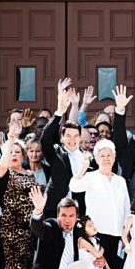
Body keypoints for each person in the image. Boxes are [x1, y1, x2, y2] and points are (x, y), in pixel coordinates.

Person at [68, 138, 131, 269]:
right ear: (96, 158)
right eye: (102, 155)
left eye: (109, 155)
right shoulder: (90, 177)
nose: (106, 159)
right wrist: (83, 167)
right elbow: (73, 185)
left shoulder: (120, 181)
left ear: (114, 157)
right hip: (97, 233)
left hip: (117, 232)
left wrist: (126, 231)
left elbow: (127, 207)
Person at [0, 125, 38, 269]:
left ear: (23, 155)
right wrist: (11, 140)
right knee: (12, 265)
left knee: (23, 265)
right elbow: (2, 164)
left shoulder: (29, 174)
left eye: (17, 152)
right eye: (11, 152)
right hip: (10, 225)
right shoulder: (5, 172)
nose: (14, 154)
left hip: (27, 227)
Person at [41, 86, 87, 218]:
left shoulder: (87, 158)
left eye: (75, 136)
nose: (72, 140)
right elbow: (45, 139)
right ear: (62, 138)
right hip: (54, 209)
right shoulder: (56, 152)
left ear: (80, 138)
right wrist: (59, 112)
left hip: (80, 210)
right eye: (68, 136)